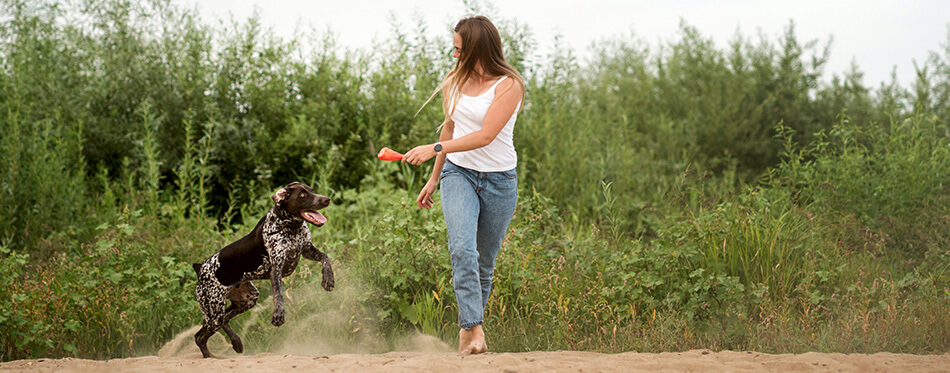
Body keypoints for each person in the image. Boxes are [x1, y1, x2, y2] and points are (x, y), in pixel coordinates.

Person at [401, 15, 524, 355]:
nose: (453, 56)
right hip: (459, 174)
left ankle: (465, 334)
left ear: (476, 50)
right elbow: (449, 129)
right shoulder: (455, 80)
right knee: (462, 250)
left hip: (500, 180)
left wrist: (433, 150)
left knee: (484, 262)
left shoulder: (509, 85)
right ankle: (477, 330)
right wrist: (435, 175)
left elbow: (485, 136)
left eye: (459, 49)